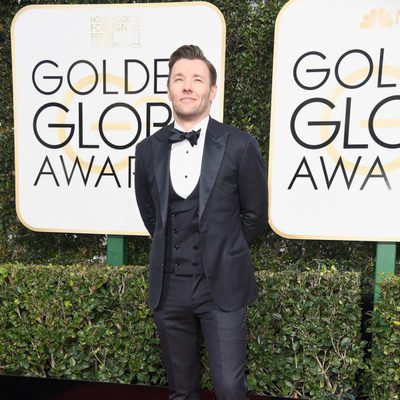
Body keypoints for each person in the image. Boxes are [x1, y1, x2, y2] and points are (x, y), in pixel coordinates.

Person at [134, 44, 267, 400]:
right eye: (179, 79)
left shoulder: (239, 144)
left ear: (212, 90)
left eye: (197, 79)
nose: (187, 86)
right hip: (169, 288)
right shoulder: (148, 150)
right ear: (169, 88)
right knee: (180, 391)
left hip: (221, 286)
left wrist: (225, 251)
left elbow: (255, 215)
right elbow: (151, 215)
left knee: (229, 388)